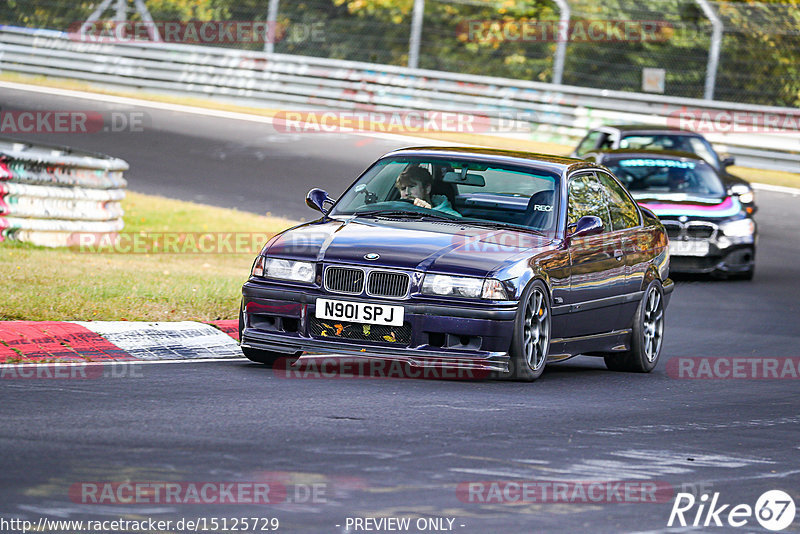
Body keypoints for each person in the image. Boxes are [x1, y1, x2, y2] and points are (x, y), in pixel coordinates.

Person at [394, 166, 461, 217]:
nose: (407, 193)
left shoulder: (451, 217)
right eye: (403, 188)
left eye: (411, 186)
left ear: (427, 188)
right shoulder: (393, 213)